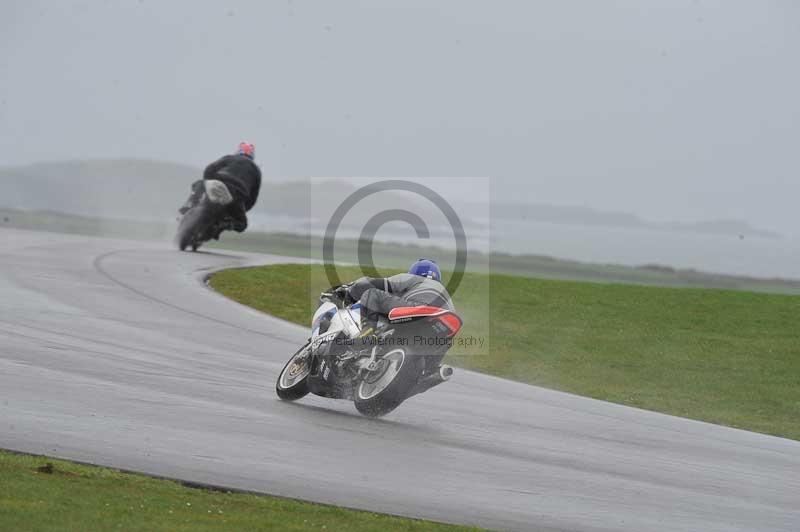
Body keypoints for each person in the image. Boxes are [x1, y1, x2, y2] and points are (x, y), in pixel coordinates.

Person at [336, 259, 454, 338]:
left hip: (419, 309)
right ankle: (432, 370)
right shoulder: (445, 292)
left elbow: (371, 283)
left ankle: (367, 332)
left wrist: (350, 290)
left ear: (414, 272)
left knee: (372, 293)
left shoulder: (412, 278)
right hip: (444, 323)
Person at [179, 142, 261, 236]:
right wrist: (242, 208)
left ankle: (190, 204)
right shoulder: (256, 170)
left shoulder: (230, 158)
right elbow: (253, 197)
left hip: (220, 184)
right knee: (242, 225)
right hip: (238, 195)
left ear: (238, 151)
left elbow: (210, 168)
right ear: (252, 155)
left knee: (199, 184)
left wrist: (208, 181)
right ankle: (224, 224)